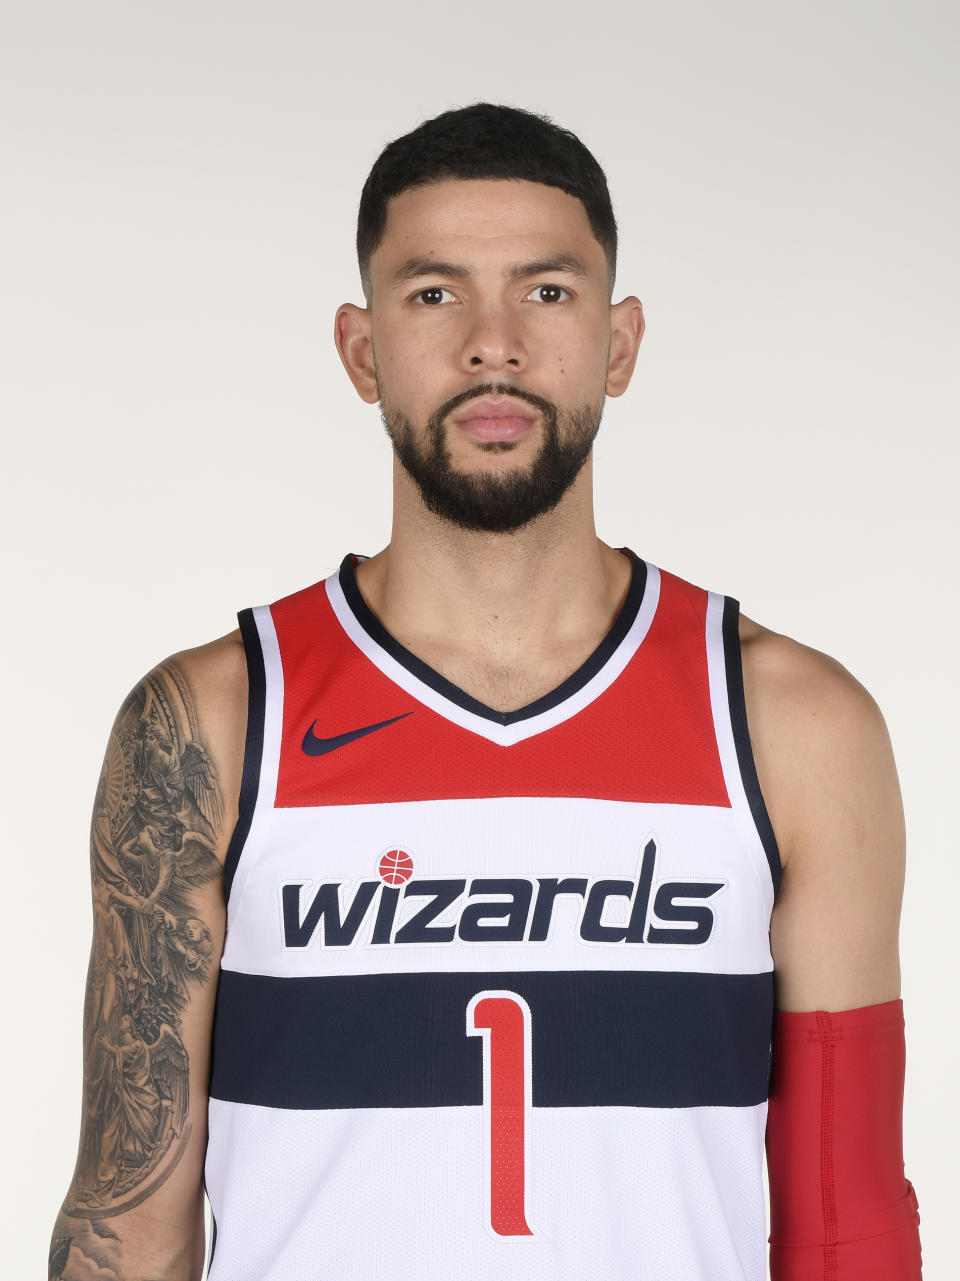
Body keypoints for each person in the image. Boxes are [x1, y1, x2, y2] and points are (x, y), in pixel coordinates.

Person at [50, 103, 922, 1281]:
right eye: (434, 294)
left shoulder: (790, 724)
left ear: (621, 343)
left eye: (548, 294)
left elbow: (844, 1220)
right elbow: (126, 1223)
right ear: (363, 351)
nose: (493, 344)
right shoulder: (212, 722)